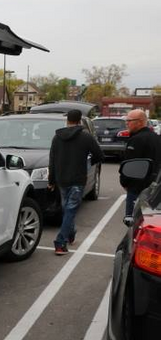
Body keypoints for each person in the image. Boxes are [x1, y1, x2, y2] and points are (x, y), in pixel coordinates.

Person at [48, 109, 103, 255]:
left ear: (67, 120)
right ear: (80, 121)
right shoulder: (86, 137)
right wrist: (88, 163)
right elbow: (99, 154)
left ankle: (70, 234)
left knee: (68, 209)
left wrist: (51, 180)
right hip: (77, 179)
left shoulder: (56, 137)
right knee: (70, 210)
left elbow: (52, 160)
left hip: (61, 179)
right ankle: (60, 243)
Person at [120, 109, 161, 217]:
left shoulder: (137, 140)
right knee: (150, 217)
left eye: (129, 120)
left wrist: (125, 182)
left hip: (137, 187)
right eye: (126, 120)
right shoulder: (156, 137)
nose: (126, 123)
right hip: (155, 186)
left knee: (132, 219)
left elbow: (130, 164)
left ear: (140, 122)